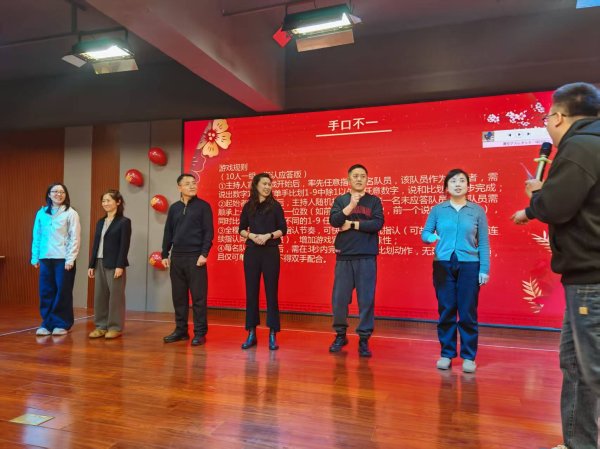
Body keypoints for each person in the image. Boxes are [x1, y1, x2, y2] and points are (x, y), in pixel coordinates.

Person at [511, 82, 600, 449]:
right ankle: (579, 443)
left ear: (559, 117)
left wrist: (536, 198)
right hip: (584, 277)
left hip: (591, 278)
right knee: (576, 365)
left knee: (592, 369)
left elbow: (556, 207)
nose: (547, 123)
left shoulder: (579, 147)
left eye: (547, 117)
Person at [421, 168, 490, 374]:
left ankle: (468, 356)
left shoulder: (477, 211)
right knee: (446, 309)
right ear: (446, 187)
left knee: (468, 311)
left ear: (468, 186)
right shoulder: (438, 210)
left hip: (470, 265)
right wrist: (430, 237)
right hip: (442, 264)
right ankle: (447, 353)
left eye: (461, 181)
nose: (457, 184)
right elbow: (425, 233)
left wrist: (484, 269)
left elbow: (483, 242)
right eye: (453, 181)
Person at [328, 164, 384, 357]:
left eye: (362, 176)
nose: (359, 179)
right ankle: (340, 334)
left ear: (367, 179)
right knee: (340, 299)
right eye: (355, 176)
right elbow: (334, 221)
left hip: (366, 256)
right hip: (344, 256)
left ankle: (364, 338)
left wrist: (352, 224)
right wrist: (350, 206)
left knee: (366, 300)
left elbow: (377, 223)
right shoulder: (341, 200)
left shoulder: (374, 201)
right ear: (349, 180)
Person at [161, 173, 214, 346]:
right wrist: (164, 254)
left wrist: (204, 254)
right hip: (177, 257)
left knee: (199, 298)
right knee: (179, 298)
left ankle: (200, 333)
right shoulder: (174, 208)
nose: (192, 186)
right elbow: (168, 232)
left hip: (196, 257)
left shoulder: (203, 207)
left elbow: (208, 232)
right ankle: (181, 330)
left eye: (194, 183)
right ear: (179, 187)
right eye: (187, 183)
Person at [238, 173, 287, 350]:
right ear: (256, 185)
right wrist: (252, 236)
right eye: (264, 184)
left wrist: (268, 236)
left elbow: (283, 229)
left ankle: (273, 333)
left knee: (271, 293)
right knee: (251, 292)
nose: (267, 187)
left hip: (270, 251)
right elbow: (241, 229)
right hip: (252, 252)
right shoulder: (248, 206)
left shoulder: (275, 206)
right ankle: (251, 332)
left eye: (269, 184)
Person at [31, 183, 81, 336]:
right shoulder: (41, 213)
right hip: (45, 258)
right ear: (49, 194)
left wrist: (70, 259)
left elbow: (75, 237)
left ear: (66, 195)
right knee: (46, 291)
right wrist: (35, 257)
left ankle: (61, 323)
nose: (59, 194)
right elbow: (37, 235)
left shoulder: (71, 213)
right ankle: (47, 323)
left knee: (62, 291)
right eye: (55, 191)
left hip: (63, 259)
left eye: (62, 192)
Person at [87, 190, 131, 340]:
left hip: (114, 264)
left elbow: (124, 246)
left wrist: (120, 265)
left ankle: (115, 327)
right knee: (100, 296)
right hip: (99, 262)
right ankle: (101, 326)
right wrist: (91, 265)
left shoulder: (124, 222)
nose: (105, 203)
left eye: (108, 200)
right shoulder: (100, 222)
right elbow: (96, 244)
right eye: (103, 201)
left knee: (116, 297)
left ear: (118, 202)